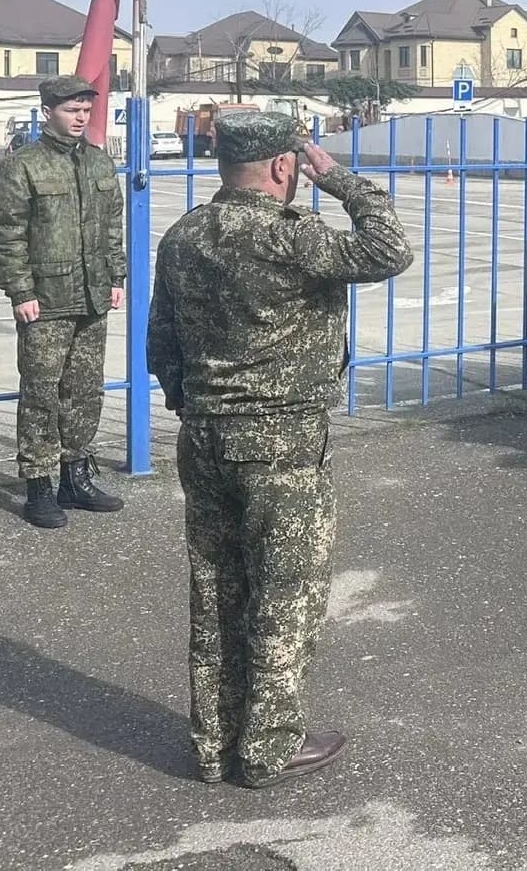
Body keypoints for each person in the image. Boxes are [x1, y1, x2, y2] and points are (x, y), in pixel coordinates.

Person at [147, 112, 414, 788]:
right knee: (285, 592)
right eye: (297, 164)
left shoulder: (184, 236)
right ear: (282, 167)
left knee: (215, 589)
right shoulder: (289, 236)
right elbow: (390, 250)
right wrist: (342, 181)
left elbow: (162, 344)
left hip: (204, 437)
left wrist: (198, 405)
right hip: (280, 442)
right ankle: (267, 746)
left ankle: (215, 743)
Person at [0, 74, 126, 529]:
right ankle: (39, 484)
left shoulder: (100, 163)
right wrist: (20, 291)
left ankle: (75, 474)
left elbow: (112, 226)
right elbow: (4, 234)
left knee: (85, 389)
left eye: (86, 110)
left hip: (92, 294)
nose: (81, 117)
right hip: (45, 299)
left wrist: (115, 276)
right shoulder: (23, 165)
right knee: (42, 392)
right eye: (72, 110)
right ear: (48, 112)